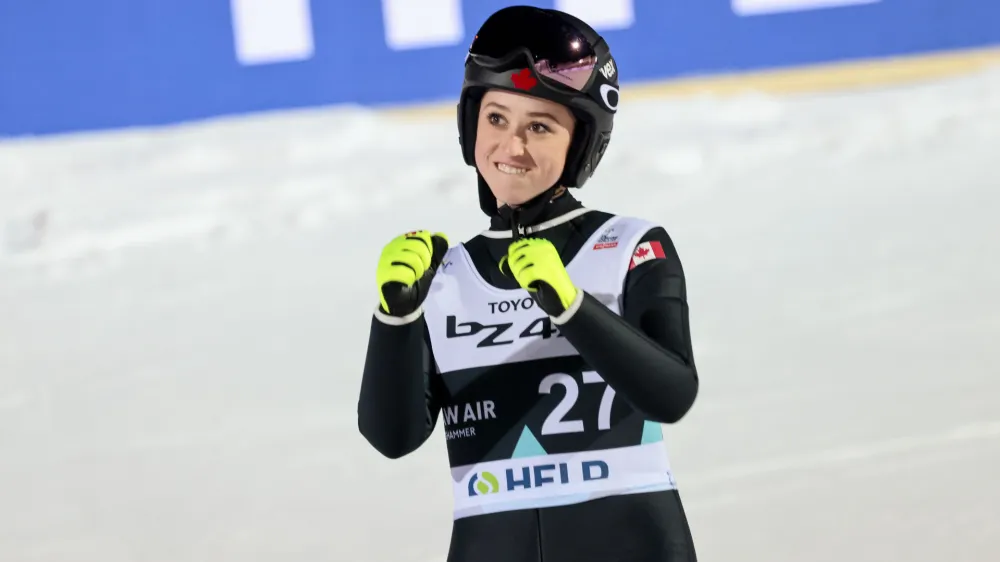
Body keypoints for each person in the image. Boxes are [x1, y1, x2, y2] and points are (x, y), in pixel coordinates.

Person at [357, 6, 699, 562]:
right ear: (470, 127)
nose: (510, 147)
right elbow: (392, 439)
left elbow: (672, 395)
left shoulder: (629, 246)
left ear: (580, 143)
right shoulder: (445, 273)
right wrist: (394, 319)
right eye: (495, 119)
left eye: (539, 126)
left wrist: (570, 306)